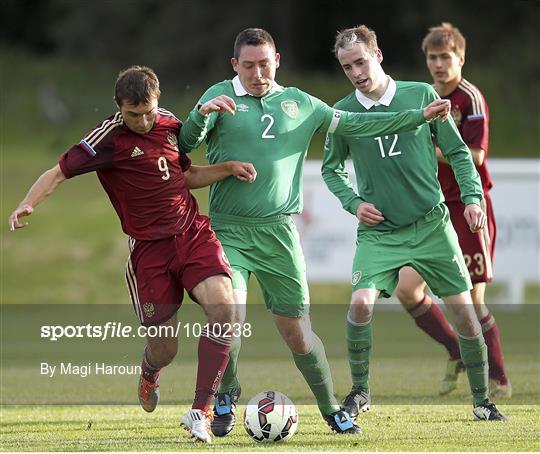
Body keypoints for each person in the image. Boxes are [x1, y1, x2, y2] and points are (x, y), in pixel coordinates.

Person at [178, 27, 451, 436]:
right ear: (235, 65)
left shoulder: (300, 103)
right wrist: (202, 115)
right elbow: (185, 144)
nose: (257, 73)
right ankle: (226, 394)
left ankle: (330, 409)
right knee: (227, 317)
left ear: (278, 60)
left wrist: (416, 116)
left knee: (298, 332)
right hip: (228, 232)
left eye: (264, 64)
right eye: (248, 65)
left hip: (280, 234)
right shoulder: (218, 95)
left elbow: (357, 124)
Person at [8, 65, 258, 444]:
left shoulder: (170, 123)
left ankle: (200, 413)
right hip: (149, 252)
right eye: (133, 114)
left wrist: (225, 169)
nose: (142, 121)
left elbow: (181, 176)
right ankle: (149, 371)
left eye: (148, 112)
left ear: (158, 102)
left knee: (225, 307)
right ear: (118, 108)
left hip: (191, 233)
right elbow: (57, 172)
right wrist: (28, 203)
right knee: (165, 349)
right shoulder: (108, 138)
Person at [322, 25, 506, 421]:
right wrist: (353, 203)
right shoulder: (343, 112)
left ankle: (482, 401)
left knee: (464, 313)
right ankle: (360, 391)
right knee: (359, 304)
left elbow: (459, 152)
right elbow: (331, 170)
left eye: (361, 61)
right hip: (380, 232)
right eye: (346, 66)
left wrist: (472, 199)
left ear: (379, 55)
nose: (355, 72)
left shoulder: (421, 94)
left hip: (431, 225)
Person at [394, 22, 511, 399]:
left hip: (468, 207)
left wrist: (428, 150)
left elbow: (475, 156)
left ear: (461, 58)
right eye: (432, 57)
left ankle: (499, 379)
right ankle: (456, 350)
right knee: (407, 290)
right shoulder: (421, 97)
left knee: (471, 301)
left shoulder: (469, 99)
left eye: (446, 56)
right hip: (431, 208)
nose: (439, 64)